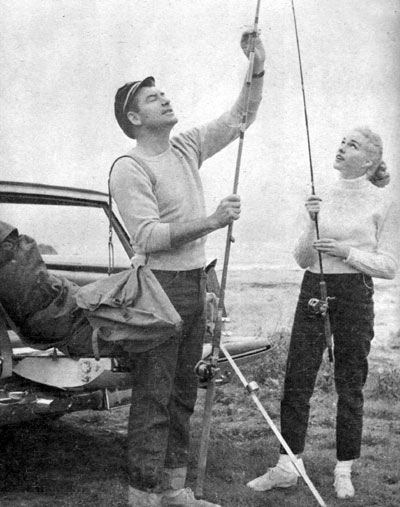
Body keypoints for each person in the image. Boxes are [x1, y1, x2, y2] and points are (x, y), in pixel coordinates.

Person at [110, 29, 265, 507]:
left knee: (181, 393)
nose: (164, 98)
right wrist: (213, 221)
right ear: (135, 118)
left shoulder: (187, 146)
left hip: (196, 284)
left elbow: (242, 115)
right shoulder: (128, 167)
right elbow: (148, 237)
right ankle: (143, 496)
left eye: (164, 93)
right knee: (154, 397)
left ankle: (175, 491)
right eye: (152, 98)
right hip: (158, 290)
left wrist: (257, 63)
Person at [247, 127, 399, 499]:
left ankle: (343, 469)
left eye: (354, 145)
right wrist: (311, 220)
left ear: (369, 161)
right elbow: (302, 258)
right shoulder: (319, 196)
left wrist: (346, 252)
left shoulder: (385, 201)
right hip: (313, 286)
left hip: (354, 292)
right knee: (297, 380)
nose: (342, 147)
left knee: (350, 384)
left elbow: (390, 265)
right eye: (343, 141)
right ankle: (287, 466)